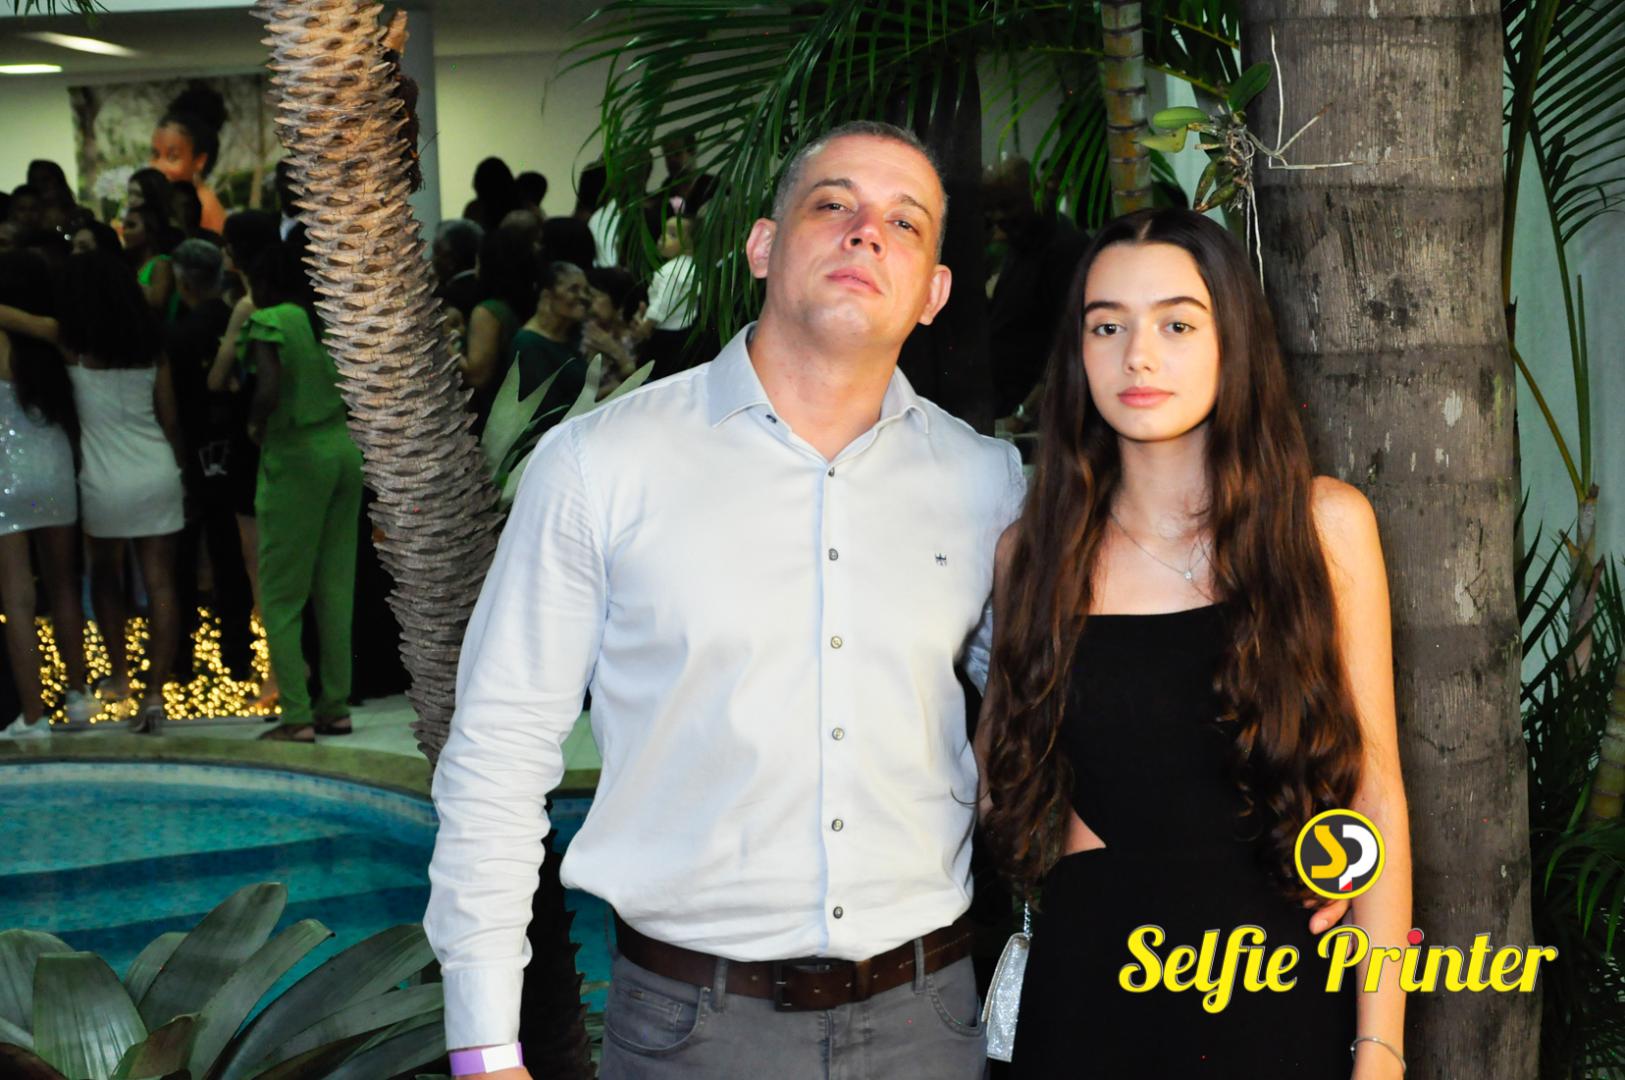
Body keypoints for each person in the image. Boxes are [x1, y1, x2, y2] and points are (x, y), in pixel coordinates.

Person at [426, 120, 1020, 1080]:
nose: (866, 232)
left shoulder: (987, 483)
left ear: (934, 293)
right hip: (691, 1032)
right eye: (833, 204)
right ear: (761, 246)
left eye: (904, 223)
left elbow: (1054, 714)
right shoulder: (599, 466)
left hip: (929, 1024)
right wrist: (485, 1046)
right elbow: (498, 753)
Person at [976, 208, 1411, 1078]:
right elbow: (1001, 786)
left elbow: (1375, 797)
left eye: (1176, 325)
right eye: (1107, 327)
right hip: (1092, 989)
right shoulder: (1033, 550)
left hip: (1279, 982)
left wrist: (1380, 1050)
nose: (1137, 356)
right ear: (1077, 352)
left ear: (1232, 342)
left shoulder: (1322, 527)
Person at [240, 236, 363, 743]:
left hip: (296, 455)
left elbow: (268, 385)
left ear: (264, 280)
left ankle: (296, 715)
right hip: (344, 449)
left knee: (281, 592)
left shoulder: (273, 319)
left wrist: (254, 423)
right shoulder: (329, 316)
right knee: (335, 586)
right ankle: (335, 706)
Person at [59, 253, 185, 734]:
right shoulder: (151, 345)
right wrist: (179, 473)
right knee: (161, 583)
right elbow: (170, 419)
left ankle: (120, 674)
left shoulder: (72, 346)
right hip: (156, 470)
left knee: (104, 576)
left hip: (102, 477)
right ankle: (154, 696)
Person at [0, 251, 91, 737]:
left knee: (17, 599)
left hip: (6, 477)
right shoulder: (57, 340)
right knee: (63, 587)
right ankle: (78, 696)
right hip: (55, 470)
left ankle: (34, 717)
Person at [462, 229, 535, 433]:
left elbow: (477, 376)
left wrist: (444, 341)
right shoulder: (527, 305)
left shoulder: (488, 312)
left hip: (493, 421)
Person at [151, 85, 229, 234]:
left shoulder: (203, 208)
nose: (158, 167)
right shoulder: (173, 203)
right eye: (155, 155)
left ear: (200, 161)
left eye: (172, 157)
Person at [124, 205, 180, 321]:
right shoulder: (134, 265)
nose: (125, 232)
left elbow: (157, 302)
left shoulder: (162, 262)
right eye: (124, 227)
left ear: (150, 230)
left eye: (132, 226)